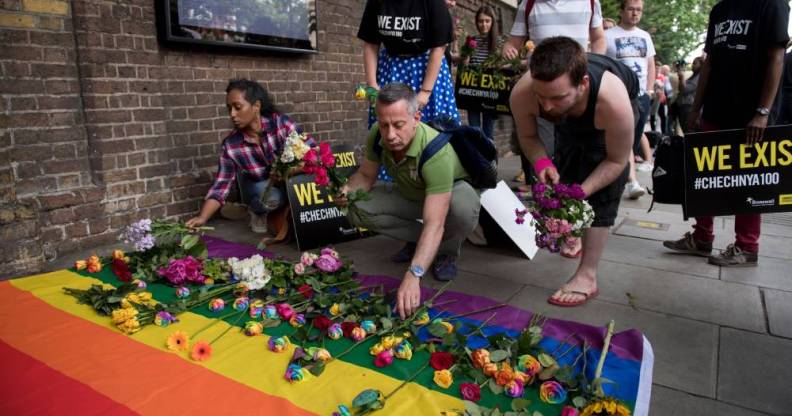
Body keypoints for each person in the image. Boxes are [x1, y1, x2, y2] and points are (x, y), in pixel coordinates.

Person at [511, 37, 638, 307]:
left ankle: (587, 276)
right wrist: (543, 163)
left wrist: (580, 192)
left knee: (601, 188)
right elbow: (528, 136)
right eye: (540, 96)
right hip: (574, 112)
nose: (545, 107)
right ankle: (576, 232)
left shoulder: (613, 104)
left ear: (583, 85)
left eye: (556, 98)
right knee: (565, 164)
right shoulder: (524, 94)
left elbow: (616, 162)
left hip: (616, 105)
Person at [337, 83, 480, 318]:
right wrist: (348, 190)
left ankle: (447, 252)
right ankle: (420, 244)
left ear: (416, 118)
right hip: (411, 195)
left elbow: (435, 221)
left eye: (398, 125)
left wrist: (414, 274)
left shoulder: (436, 152)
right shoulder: (378, 134)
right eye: (384, 125)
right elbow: (365, 176)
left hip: (449, 197)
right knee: (357, 206)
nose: (390, 135)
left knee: (461, 208)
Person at [663, 0, 788, 267]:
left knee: (749, 180)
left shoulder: (773, 5)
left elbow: (776, 58)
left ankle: (747, 246)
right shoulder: (720, 10)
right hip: (716, 109)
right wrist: (696, 108)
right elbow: (709, 63)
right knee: (704, 176)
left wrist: (763, 111)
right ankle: (702, 238)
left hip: (751, 113)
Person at [503, 0, 607, 197]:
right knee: (545, 152)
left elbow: (599, 39)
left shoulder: (590, 2)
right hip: (540, 91)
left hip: (576, 91)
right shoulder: (529, 4)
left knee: (578, 151)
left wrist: (591, 65)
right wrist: (509, 50)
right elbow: (512, 42)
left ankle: (576, 200)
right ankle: (548, 202)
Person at [186, 79, 310, 233]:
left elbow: (313, 154)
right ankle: (256, 210)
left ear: (256, 106)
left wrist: (291, 170)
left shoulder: (281, 124)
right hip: (261, 187)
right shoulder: (231, 145)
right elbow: (221, 186)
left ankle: (250, 210)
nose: (232, 114)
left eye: (237, 107)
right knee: (270, 197)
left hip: (292, 182)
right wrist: (202, 218)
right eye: (229, 108)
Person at [357, 0, 461, 184]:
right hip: (391, 67)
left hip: (426, 68)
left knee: (434, 128)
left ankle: (438, 183)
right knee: (390, 126)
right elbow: (371, 43)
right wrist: (372, 84)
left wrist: (425, 92)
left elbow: (439, 47)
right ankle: (392, 184)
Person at [605, 0, 656, 199]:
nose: (635, 13)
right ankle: (630, 181)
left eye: (639, 10)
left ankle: (623, 179)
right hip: (618, 95)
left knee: (633, 139)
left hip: (641, 96)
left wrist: (649, 91)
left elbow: (651, 65)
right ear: (621, 11)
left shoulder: (645, 36)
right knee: (623, 138)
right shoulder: (609, 35)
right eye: (631, 9)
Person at [464, 6, 500, 140]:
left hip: (489, 90)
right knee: (474, 127)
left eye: (487, 21)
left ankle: (489, 158)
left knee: (488, 127)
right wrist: (467, 52)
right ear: (476, 22)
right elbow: (464, 65)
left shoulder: (499, 42)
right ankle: (476, 157)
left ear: (492, 22)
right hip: (472, 88)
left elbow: (503, 65)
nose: (484, 24)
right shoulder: (471, 40)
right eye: (480, 21)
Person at [674, 56, 703, 134]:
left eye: (695, 63)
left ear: (701, 65)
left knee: (690, 133)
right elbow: (680, 88)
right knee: (686, 133)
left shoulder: (699, 77)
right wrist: (681, 77)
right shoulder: (693, 76)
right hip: (684, 107)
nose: (692, 65)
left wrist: (682, 76)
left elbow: (685, 90)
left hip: (690, 107)